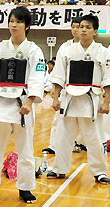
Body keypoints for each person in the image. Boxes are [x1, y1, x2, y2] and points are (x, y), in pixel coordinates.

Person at [0, 6, 44, 204]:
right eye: (12, 21)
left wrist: (30, 101)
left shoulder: (34, 50)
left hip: (22, 104)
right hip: (0, 104)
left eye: (19, 22)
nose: (14, 25)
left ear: (27, 26)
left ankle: (25, 187)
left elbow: (38, 77)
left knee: (25, 149)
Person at [48, 14, 110, 185]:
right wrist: (55, 98)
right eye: (81, 27)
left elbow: (108, 78)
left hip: (92, 100)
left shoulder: (103, 51)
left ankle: (99, 172)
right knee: (63, 136)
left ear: (95, 31)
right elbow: (58, 77)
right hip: (69, 98)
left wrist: (106, 102)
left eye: (87, 27)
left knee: (94, 137)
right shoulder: (67, 50)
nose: (82, 30)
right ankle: (59, 169)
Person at [42, 17, 84, 154]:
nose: (76, 29)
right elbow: (58, 69)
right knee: (58, 118)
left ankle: (79, 144)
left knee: (83, 121)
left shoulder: (91, 47)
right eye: (73, 27)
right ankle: (53, 146)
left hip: (84, 89)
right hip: (66, 88)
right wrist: (55, 88)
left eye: (78, 26)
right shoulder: (65, 46)